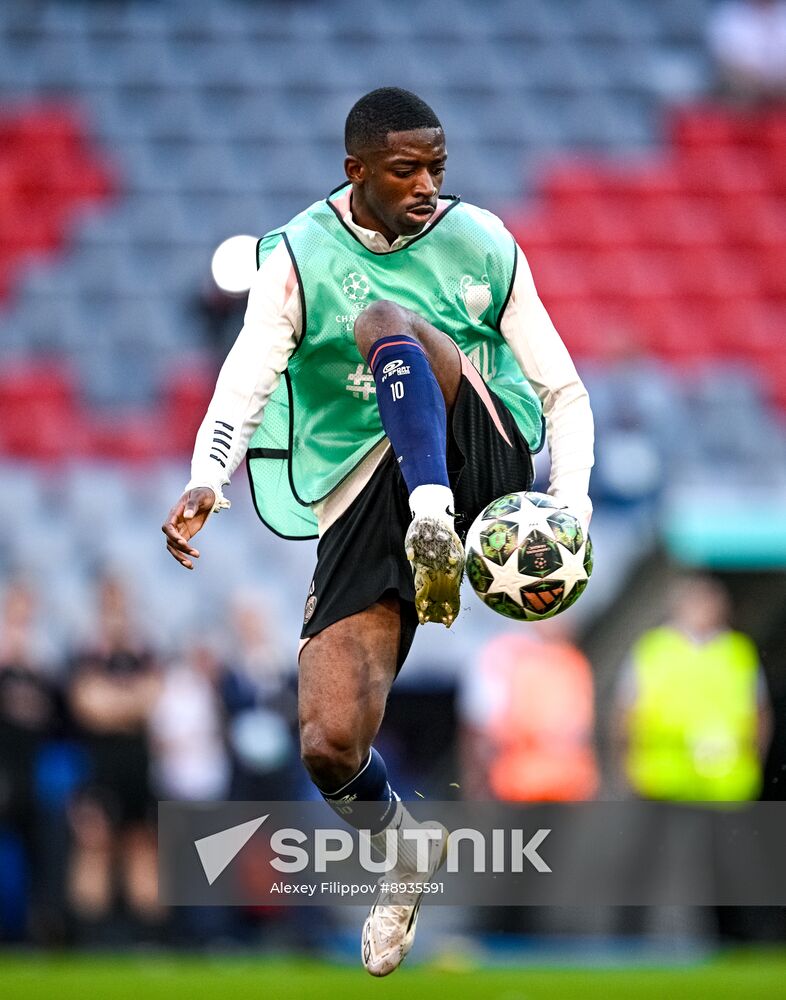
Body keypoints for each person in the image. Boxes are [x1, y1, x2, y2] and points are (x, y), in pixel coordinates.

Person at [162, 88, 594, 976]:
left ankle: (434, 520)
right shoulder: (295, 255)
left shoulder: (483, 241)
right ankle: (402, 850)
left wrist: (573, 505)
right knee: (326, 740)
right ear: (354, 170)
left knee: (385, 323)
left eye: (437, 165)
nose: (429, 184)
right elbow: (244, 379)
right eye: (407, 169)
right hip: (364, 492)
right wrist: (208, 478)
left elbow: (565, 392)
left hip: (479, 457)